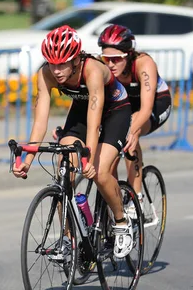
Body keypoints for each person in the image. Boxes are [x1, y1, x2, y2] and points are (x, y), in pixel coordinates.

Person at [12, 25, 135, 259]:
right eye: (52, 63)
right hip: (81, 112)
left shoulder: (93, 71)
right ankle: (69, 239)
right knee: (63, 172)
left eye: (62, 64)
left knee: (98, 172)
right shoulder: (45, 73)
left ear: (77, 59)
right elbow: (40, 122)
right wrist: (28, 159)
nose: (56, 71)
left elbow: (95, 119)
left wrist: (88, 157)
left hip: (114, 111)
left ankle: (121, 221)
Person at [97, 24, 172, 216]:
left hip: (156, 103)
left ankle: (136, 199)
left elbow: (146, 109)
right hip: (126, 105)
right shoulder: (102, 66)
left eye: (116, 59)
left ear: (128, 54)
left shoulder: (143, 64)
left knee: (131, 133)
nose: (111, 64)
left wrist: (131, 130)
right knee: (107, 148)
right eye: (107, 59)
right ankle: (114, 198)